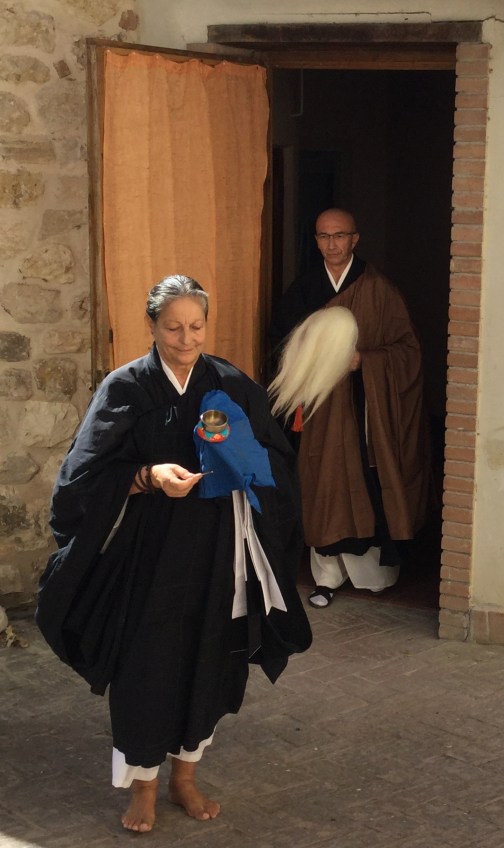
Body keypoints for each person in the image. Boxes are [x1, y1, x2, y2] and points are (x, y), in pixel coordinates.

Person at [36, 275, 312, 833]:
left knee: (209, 659)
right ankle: (142, 785)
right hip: (148, 554)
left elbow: (277, 461)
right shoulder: (127, 388)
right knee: (144, 664)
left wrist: (242, 460)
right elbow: (81, 478)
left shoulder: (230, 384)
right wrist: (147, 476)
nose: (186, 340)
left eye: (196, 326)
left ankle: (185, 777)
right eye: (173, 328)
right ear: (152, 326)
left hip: (218, 552)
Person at [268, 208, 430, 608]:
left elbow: (408, 350)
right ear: (316, 241)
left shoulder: (380, 290)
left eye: (340, 235)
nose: (332, 244)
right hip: (319, 409)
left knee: (365, 484)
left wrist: (365, 362)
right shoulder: (305, 289)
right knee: (321, 485)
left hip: (364, 411)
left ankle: (373, 575)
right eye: (324, 236)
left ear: (355, 239)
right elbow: (282, 346)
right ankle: (326, 578)